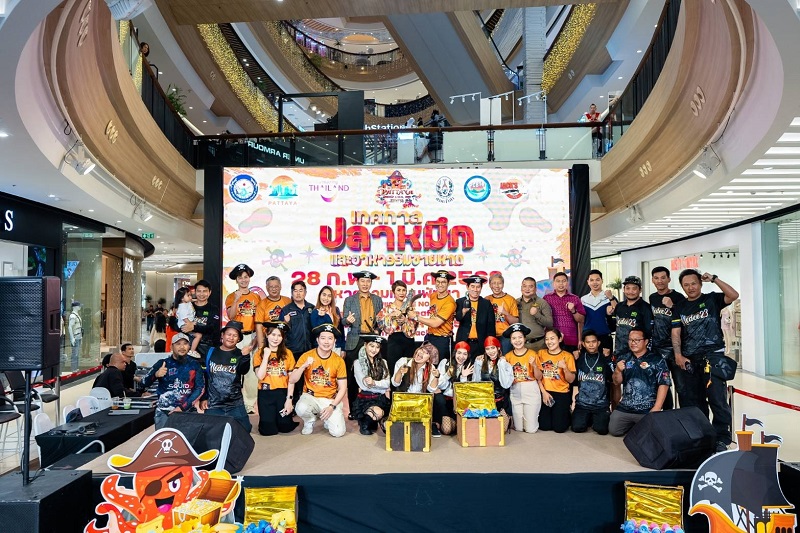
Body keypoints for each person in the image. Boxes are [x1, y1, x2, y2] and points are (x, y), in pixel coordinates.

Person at [671, 269, 739, 452]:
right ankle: (702, 435)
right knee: (694, 400)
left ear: (700, 283)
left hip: (713, 357)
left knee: (717, 399)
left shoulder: (712, 299)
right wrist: (678, 355)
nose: (690, 287)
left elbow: (733, 295)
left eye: (694, 283)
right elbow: (676, 332)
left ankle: (721, 438)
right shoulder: (680, 307)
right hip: (690, 359)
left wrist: (715, 279)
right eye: (686, 285)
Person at [609, 328, 671, 437]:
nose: (633, 343)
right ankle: (635, 426)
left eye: (637, 340)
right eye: (630, 340)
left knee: (649, 434)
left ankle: (638, 426)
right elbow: (616, 382)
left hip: (647, 408)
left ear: (646, 341)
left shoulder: (657, 360)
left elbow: (664, 383)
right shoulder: (624, 358)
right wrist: (617, 371)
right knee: (614, 430)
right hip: (626, 407)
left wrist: (657, 407)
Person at [289, 324, 348, 437]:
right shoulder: (307, 356)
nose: (326, 342)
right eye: (323, 338)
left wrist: (332, 406)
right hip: (310, 396)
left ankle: (330, 415)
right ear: (317, 340)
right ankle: (309, 420)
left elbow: (343, 388)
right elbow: (292, 379)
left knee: (338, 432)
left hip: (329, 399)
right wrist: (303, 366)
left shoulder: (339, 361)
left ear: (334, 341)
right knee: (301, 408)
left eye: (330, 338)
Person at [141, 333, 205, 429]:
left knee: (188, 439)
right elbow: (143, 383)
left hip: (188, 412)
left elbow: (200, 388)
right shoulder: (162, 363)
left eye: (185, 343)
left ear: (189, 346)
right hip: (164, 413)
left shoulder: (195, 365)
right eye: (178, 344)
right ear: (171, 347)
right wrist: (156, 374)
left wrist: (182, 407)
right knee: (164, 439)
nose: (182, 347)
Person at [343, 271, 383, 416]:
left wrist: (378, 330)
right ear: (357, 282)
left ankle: (372, 407)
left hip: (371, 340)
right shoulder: (349, 300)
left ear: (371, 283)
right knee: (352, 378)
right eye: (362, 281)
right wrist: (348, 321)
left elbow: (381, 321)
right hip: (355, 340)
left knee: (373, 374)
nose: (365, 284)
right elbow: (343, 321)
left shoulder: (377, 300)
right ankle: (354, 410)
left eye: (368, 281)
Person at [200, 321, 252, 432]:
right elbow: (204, 376)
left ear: (238, 339)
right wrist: (204, 398)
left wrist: (246, 357)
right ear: (222, 335)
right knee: (210, 433)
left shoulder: (240, 354)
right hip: (214, 404)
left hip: (235, 403)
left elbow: (244, 371)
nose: (231, 338)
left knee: (245, 430)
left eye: (235, 335)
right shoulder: (210, 352)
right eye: (228, 334)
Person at [225, 263, 261, 414]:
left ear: (249, 278)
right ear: (236, 280)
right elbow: (231, 316)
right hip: (236, 337)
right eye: (240, 278)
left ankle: (249, 405)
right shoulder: (231, 296)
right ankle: (232, 402)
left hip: (252, 336)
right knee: (234, 369)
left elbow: (259, 320)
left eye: (246, 277)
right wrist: (236, 300)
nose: (243, 280)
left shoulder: (256, 297)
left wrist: (256, 340)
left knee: (251, 373)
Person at [253, 322, 299, 436]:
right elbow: (260, 376)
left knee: (285, 428)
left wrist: (289, 400)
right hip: (265, 393)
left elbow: (291, 380)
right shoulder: (259, 353)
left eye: (279, 335)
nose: (276, 338)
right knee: (268, 431)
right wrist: (266, 356)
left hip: (282, 393)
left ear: (283, 338)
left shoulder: (288, 353)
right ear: (267, 335)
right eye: (273, 335)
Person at [649, 266, 684, 410]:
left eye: (663, 278)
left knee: (681, 386)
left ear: (669, 279)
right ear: (652, 280)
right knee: (662, 383)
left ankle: (685, 417)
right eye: (656, 278)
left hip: (676, 348)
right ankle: (667, 414)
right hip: (657, 348)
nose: (660, 281)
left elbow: (685, 319)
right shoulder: (652, 298)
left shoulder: (679, 297)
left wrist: (673, 306)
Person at [392, 343, 444, 436]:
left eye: (426, 353)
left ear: (429, 359)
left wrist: (436, 377)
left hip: (419, 402)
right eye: (421, 350)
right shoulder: (403, 361)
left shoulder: (430, 367)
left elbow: (431, 389)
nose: (421, 353)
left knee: (416, 431)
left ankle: (430, 424)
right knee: (401, 431)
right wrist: (400, 371)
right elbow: (395, 383)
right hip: (403, 400)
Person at [408, 270, 456, 363]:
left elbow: (436, 323)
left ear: (448, 283)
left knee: (438, 366)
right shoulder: (433, 296)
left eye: (443, 282)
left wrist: (416, 317)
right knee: (426, 365)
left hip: (442, 340)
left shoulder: (450, 302)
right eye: (438, 281)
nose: (440, 285)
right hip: (430, 337)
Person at [536, 327, 576, 433]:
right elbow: (538, 377)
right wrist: (544, 393)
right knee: (544, 426)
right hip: (546, 392)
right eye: (547, 339)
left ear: (560, 339)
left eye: (552, 338)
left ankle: (567, 412)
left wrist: (565, 368)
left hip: (562, 393)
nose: (549, 342)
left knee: (559, 428)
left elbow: (571, 380)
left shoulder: (567, 356)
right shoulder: (541, 353)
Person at [571, 330, 612, 435]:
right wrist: (574, 358)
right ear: (583, 344)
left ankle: (595, 418)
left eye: (594, 342)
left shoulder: (604, 358)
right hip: (582, 404)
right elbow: (571, 379)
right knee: (577, 427)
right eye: (588, 342)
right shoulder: (579, 358)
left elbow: (612, 378)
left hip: (600, 404)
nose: (591, 345)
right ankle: (588, 417)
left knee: (602, 430)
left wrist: (608, 359)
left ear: (598, 343)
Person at [503, 323, 542, 433]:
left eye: (520, 337)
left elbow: (539, 377)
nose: (517, 341)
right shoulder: (508, 357)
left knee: (530, 429)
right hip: (515, 390)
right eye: (514, 338)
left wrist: (534, 365)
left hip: (530, 389)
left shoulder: (532, 354)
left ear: (525, 339)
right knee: (519, 428)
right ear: (511, 341)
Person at [351, 335, 391, 435]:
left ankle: (375, 419)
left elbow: (387, 383)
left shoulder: (383, 362)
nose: (374, 350)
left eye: (377, 347)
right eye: (371, 346)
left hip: (381, 398)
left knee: (389, 423)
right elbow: (364, 385)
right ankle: (365, 421)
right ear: (365, 345)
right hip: (365, 398)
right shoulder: (357, 363)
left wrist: (374, 383)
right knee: (375, 416)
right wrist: (381, 387)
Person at [376, 280, 417, 375]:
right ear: (393, 292)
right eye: (398, 290)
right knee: (393, 368)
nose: (401, 293)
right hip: (394, 341)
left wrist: (405, 321)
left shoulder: (410, 308)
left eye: (404, 290)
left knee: (408, 370)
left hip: (409, 341)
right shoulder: (387, 308)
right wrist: (392, 315)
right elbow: (381, 324)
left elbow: (414, 328)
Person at [472, 336, 512, 431]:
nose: (491, 351)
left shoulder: (505, 364)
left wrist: (501, 364)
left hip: (500, 401)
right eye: (487, 349)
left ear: (498, 348)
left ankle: (508, 417)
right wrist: (477, 364)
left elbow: (506, 385)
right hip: (485, 402)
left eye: (493, 348)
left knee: (501, 429)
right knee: (484, 429)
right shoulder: (480, 362)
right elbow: (475, 383)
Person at [454, 275, 496, 361]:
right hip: (464, 342)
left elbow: (491, 326)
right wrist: (463, 312)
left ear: (481, 288)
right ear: (467, 287)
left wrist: (490, 345)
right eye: (472, 286)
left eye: (478, 287)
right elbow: (457, 318)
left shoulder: (486, 303)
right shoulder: (460, 302)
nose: (475, 290)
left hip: (480, 344)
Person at [175, 280, 220, 358]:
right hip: (186, 348)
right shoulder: (187, 306)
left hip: (206, 348)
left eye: (204, 291)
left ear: (209, 292)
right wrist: (183, 327)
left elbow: (212, 328)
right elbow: (175, 323)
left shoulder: (213, 309)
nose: (201, 294)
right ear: (195, 292)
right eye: (199, 291)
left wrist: (193, 327)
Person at [543, 272, 585, 353]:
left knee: (570, 361)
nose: (561, 283)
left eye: (563, 281)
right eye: (558, 281)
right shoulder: (546, 298)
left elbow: (581, 320)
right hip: (552, 341)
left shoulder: (575, 298)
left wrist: (573, 311)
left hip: (571, 340)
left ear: (567, 283)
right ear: (553, 283)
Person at [437, 341, 473, 436]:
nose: (461, 357)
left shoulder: (470, 367)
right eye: (459, 353)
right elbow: (439, 385)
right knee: (447, 430)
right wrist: (447, 375)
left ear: (468, 355)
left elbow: (464, 392)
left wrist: (463, 377)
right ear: (454, 353)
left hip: (460, 403)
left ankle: (457, 424)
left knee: (465, 428)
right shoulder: (445, 363)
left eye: (465, 354)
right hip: (446, 401)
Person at [580, 269, 615, 353]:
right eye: (592, 280)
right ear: (588, 282)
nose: (595, 282)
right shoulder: (583, 299)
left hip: (604, 337)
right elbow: (580, 321)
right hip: (588, 338)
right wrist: (580, 339)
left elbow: (617, 311)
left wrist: (611, 298)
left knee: (606, 360)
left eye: (597, 280)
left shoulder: (608, 297)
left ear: (602, 281)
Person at [516, 276, 554, 351]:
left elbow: (550, 324)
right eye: (524, 286)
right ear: (521, 288)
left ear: (535, 289)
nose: (527, 289)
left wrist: (537, 314)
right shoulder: (515, 302)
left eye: (530, 287)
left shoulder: (542, 303)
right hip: (520, 346)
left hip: (539, 345)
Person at [255, 276, 291, 353]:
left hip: (286, 340)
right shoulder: (262, 304)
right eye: (271, 287)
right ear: (267, 288)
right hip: (269, 340)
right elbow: (259, 327)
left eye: (276, 286)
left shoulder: (288, 301)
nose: (274, 289)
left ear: (280, 287)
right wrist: (261, 347)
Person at [486, 273, 519, 355]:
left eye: (499, 283)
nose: (497, 286)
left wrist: (505, 313)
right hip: (490, 335)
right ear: (490, 285)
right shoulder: (486, 299)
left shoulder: (510, 299)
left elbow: (515, 322)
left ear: (503, 284)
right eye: (494, 283)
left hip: (506, 336)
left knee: (505, 359)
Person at [310, 285, 346, 353]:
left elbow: (341, 331)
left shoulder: (336, 310)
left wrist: (343, 348)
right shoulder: (315, 312)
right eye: (324, 295)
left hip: (336, 347)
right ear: (320, 296)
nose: (326, 298)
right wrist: (321, 317)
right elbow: (316, 332)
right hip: (322, 348)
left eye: (329, 296)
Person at [174, 287, 201, 357]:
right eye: (188, 295)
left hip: (188, 323)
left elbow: (192, 300)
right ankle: (192, 350)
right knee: (198, 335)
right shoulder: (182, 307)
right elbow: (184, 318)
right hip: (185, 324)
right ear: (182, 298)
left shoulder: (187, 303)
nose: (190, 297)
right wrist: (190, 324)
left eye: (190, 295)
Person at [68, 301, 83, 372]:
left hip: (78, 336)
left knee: (77, 353)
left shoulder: (77, 315)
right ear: (75, 307)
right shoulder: (73, 316)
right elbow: (70, 327)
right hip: (75, 336)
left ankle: (75, 368)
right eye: (79, 306)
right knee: (75, 353)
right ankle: (73, 368)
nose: (80, 307)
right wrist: (72, 338)